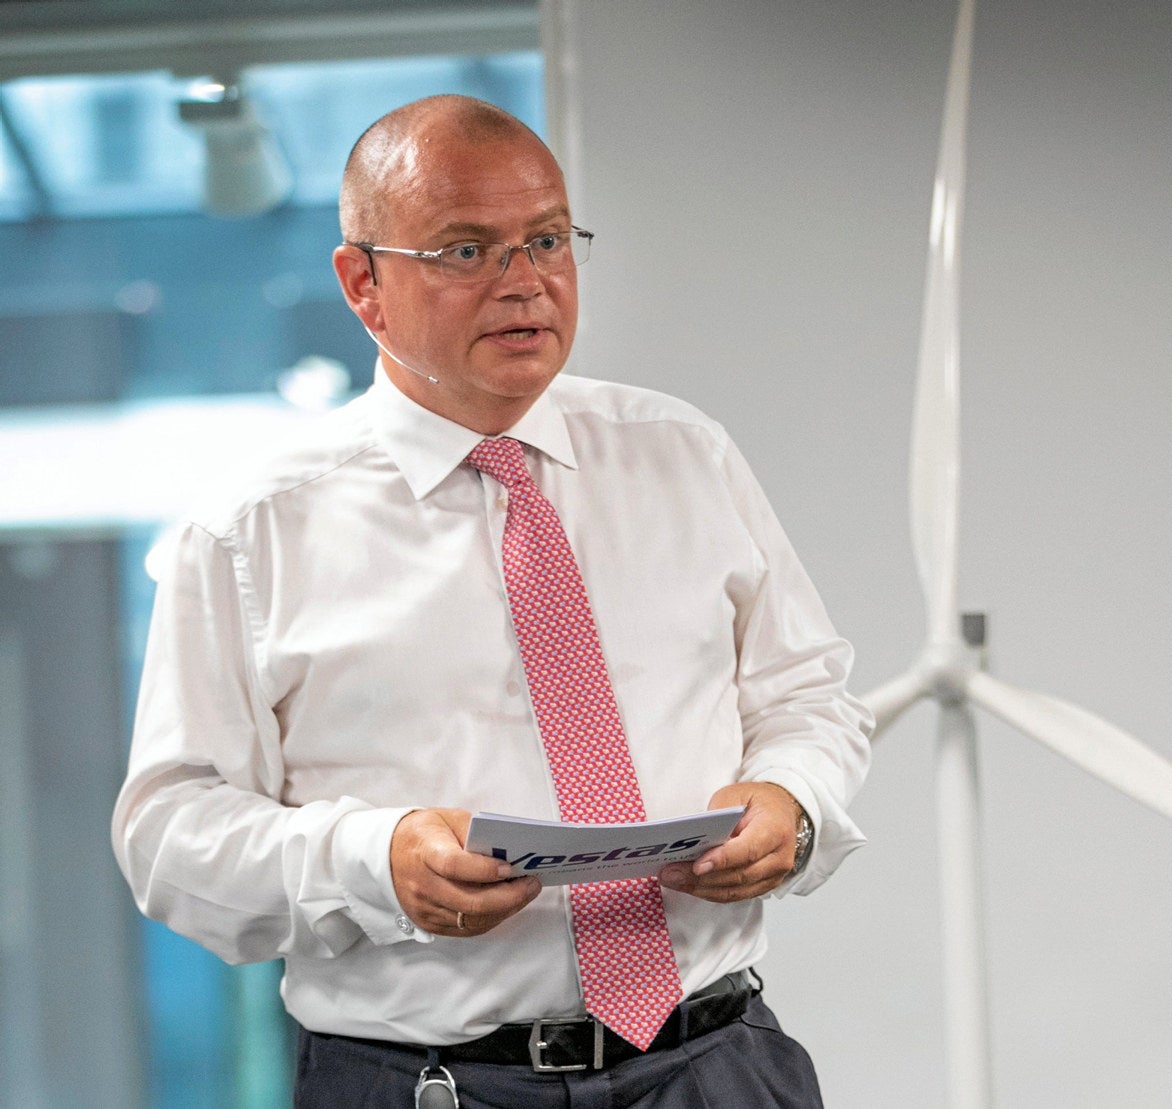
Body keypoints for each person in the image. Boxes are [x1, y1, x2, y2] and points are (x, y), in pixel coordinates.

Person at [112, 94, 871, 1108]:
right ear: (363, 283)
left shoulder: (683, 453)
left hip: (716, 1062)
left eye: (547, 240)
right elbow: (169, 837)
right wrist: (373, 859)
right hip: (427, 1083)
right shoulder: (252, 530)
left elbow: (807, 696)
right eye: (467, 251)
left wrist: (794, 802)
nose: (525, 283)